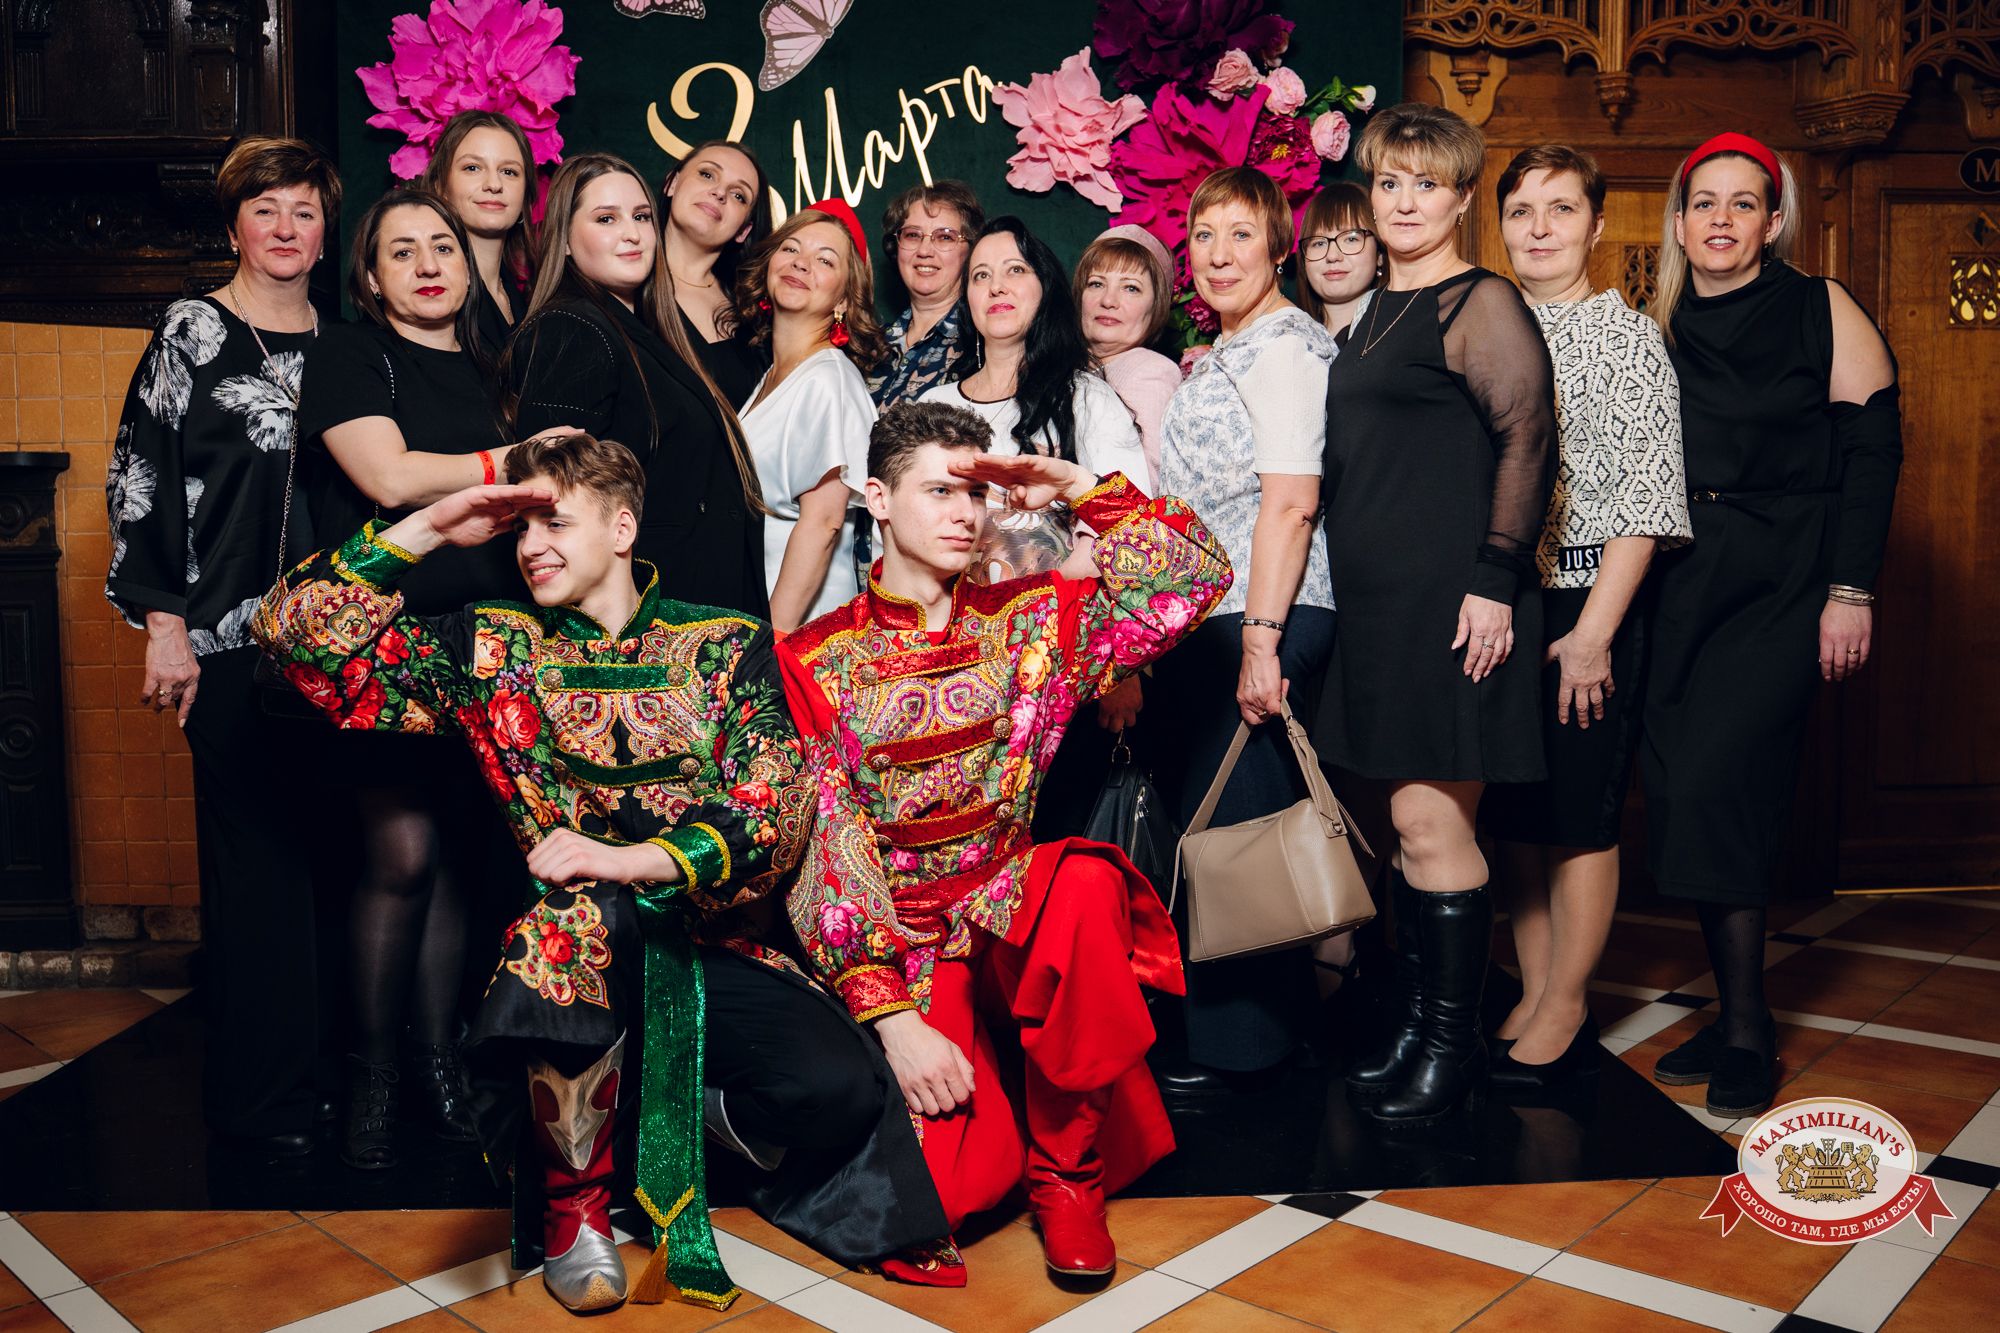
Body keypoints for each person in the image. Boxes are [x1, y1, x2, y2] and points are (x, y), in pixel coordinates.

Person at [253, 432, 946, 1315]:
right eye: (520, 527)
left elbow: (775, 803)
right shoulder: (492, 646)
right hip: (572, 961)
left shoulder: (726, 641)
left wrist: (632, 858)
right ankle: (575, 1209)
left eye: (553, 522)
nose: (530, 544)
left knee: (841, 1092)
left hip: (707, 950)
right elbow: (294, 637)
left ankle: (656, 1111)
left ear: (622, 529)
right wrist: (431, 526)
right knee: (584, 915)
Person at [780, 401, 1231, 1283]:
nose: (963, 513)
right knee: (939, 1202)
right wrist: (893, 1018)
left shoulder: (1030, 619)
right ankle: (983, 1106)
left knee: (1086, 880)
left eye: (975, 494)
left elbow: (1192, 579)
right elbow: (826, 853)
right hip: (906, 943)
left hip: (1011, 909)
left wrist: (1080, 487)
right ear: (878, 499)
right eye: (938, 491)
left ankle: (1070, 1176)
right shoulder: (816, 658)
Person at [1641, 132, 1900, 1118]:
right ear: (1678, 223)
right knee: (1684, 791)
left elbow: (1872, 452)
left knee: (1724, 783)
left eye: (1741, 203)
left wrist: (1851, 590)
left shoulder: (1818, 307)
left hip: (1784, 575)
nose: (1720, 219)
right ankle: (1729, 1009)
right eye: (1703, 202)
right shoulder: (1656, 323)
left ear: (1773, 220)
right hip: (1679, 578)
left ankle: (1749, 1029)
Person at [1321, 103, 1557, 1127]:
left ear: (1462, 199)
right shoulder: (1373, 309)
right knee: (1398, 829)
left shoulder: (1479, 301)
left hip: (1455, 602)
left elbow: (1528, 439)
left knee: (1432, 820)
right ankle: (1419, 1031)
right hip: (1379, 607)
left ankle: (1451, 1051)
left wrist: (1495, 579)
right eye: (1388, 183)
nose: (1404, 202)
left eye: (1426, 184)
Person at [104, 135, 340, 1155]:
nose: (285, 228)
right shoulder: (192, 329)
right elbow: (140, 472)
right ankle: (259, 1095)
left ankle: (325, 1076)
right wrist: (165, 627)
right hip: (226, 638)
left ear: (325, 233)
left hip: (338, 649)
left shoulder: (345, 341)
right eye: (266, 209)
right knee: (260, 869)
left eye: (304, 211)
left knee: (332, 859)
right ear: (235, 225)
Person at [298, 187, 528, 1166]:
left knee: (458, 863)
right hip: (386, 645)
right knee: (400, 854)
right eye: (403, 250)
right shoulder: (351, 355)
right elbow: (387, 478)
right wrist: (511, 460)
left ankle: (437, 1067)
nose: (429, 264)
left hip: (486, 644)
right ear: (370, 275)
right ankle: (374, 1076)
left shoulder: (495, 362)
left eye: (443, 246)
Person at [1478, 146, 1693, 1089]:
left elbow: (1647, 503)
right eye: (1521, 210)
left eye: (1561, 209)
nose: (1539, 228)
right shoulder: (1485, 326)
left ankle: (1569, 1001)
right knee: (1517, 813)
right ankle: (1535, 989)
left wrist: (1594, 635)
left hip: (1586, 603)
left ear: (1597, 226)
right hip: (1504, 603)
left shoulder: (1629, 339)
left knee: (1579, 814)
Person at [1150, 166, 1339, 1089]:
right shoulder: (1232, 347)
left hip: (1265, 611)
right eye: (1204, 235)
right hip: (1220, 614)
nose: (1219, 254)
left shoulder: (1285, 346)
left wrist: (1262, 638)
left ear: (1278, 246)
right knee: (1234, 822)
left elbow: (1292, 501)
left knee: (1237, 837)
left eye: (1240, 234)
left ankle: (1243, 1050)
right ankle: (1268, 1032)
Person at [504, 152, 768, 618]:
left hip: (692, 600)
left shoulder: (640, 329)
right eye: (606, 218)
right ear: (565, 240)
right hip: (646, 615)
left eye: (641, 217)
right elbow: (553, 497)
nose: (632, 233)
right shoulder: (572, 327)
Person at [919, 217, 1150, 525]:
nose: (996, 287)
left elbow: (1137, 527)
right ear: (968, 301)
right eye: (981, 275)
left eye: (1015, 270)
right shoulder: (933, 406)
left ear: (1045, 289)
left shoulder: (1086, 397)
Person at [734, 206, 886, 630]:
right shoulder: (774, 375)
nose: (801, 263)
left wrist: (774, 639)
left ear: (843, 300)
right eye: (791, 248)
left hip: (800, 623)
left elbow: (823, 523)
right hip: (756, 606)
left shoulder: (829, 379)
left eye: (825, 260)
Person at [661, 138, 773, 407]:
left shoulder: (753, 317)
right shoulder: (621, 284)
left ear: (743, 230)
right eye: (707, 174)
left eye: (739, 195)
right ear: (672, 183)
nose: (720, 192)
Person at [421, 110, 534, 359]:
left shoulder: (528, 299)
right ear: (440, 187)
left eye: (509, 171)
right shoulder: (430, 291)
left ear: (525, 195)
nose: (494, 184)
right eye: (472, 168)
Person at [1075, 224, 1179, 487]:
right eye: (1096, 283)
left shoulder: (1151, 371)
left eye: (1131, 288)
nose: (1108, 300)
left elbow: (1144, 485)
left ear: (1156, 306)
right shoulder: (1061, 365)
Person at [872, 180, 984, 407]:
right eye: (913, 235)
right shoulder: (870, 345)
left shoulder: (979, 348)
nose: (924, 251)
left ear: (971, 252)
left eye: (945, 237)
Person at [1296, 181, 1382, 342]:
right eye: (1319, 243)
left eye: (1351, 239)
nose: (1332, 256)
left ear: (1380, 255)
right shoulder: (1289, 339)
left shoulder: (1399, 333)